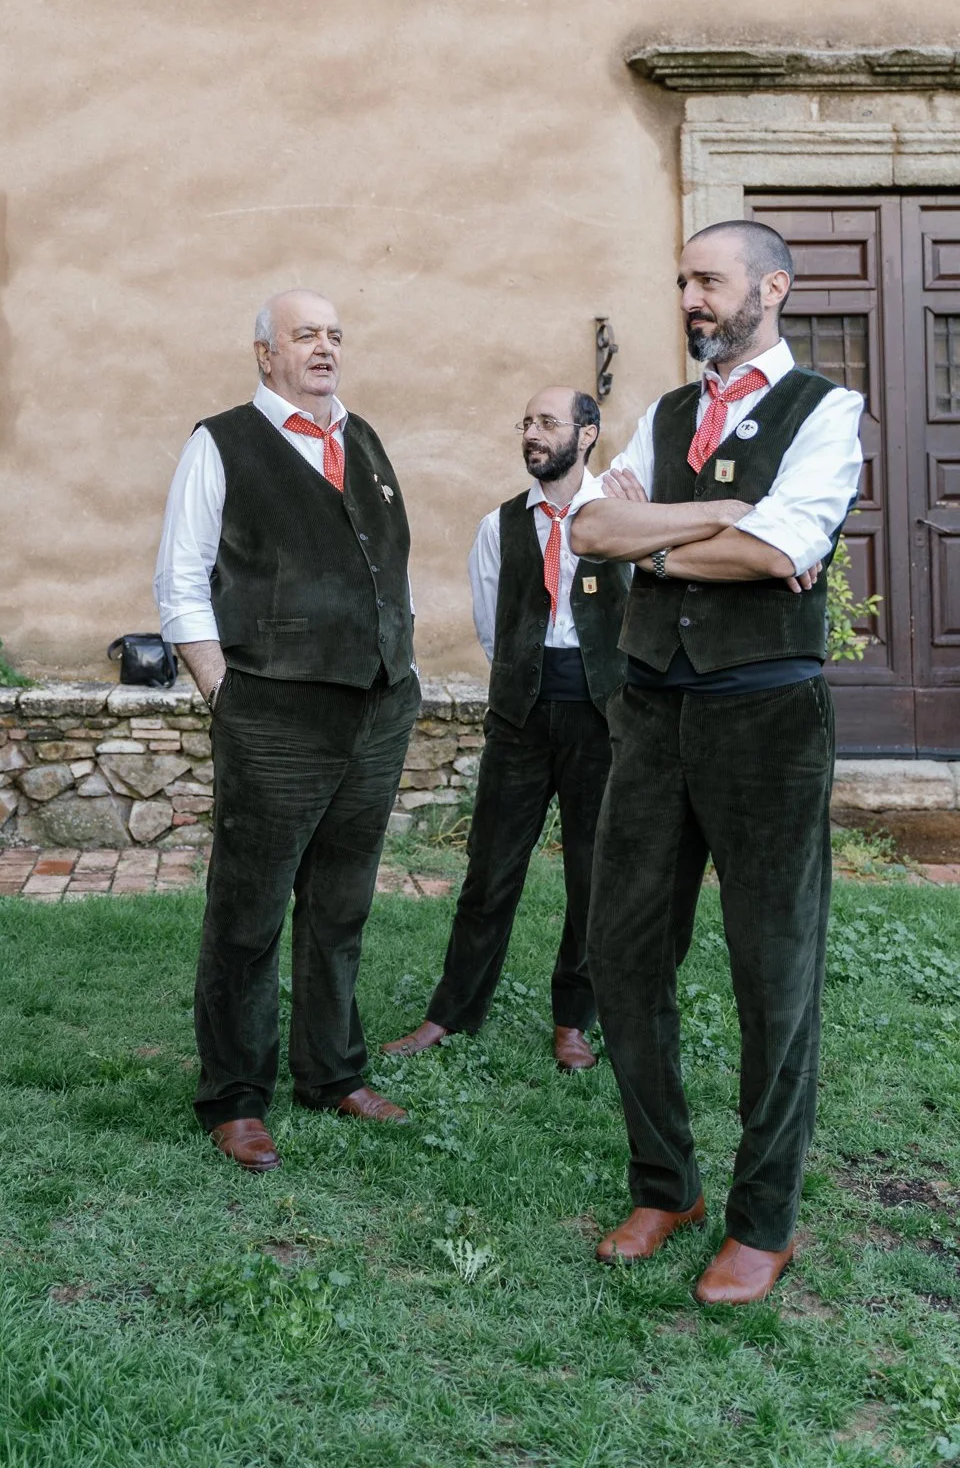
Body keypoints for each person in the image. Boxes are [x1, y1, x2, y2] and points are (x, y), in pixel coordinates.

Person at [571, 220, 863, 1306]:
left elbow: (780, 550)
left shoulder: (828, 413)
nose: (690, 298)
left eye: (709, 279)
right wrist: (718, 514)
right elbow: (590, 533)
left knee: (771, 972)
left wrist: (673, 536)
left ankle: (763, 1219)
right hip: (650, 716)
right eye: (683, 282)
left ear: (770, 288)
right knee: (625, 956)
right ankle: (666, 1185)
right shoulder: (665, 413)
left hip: (766, 726)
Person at [154, 289, 419, 1172]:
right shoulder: (221, 442)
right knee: (248, 909)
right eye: (306, 335)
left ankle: (332, 1071)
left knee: (341, 901)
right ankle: (234, 1096)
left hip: (375, 708)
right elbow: (181, 580)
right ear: (264, 353)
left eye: (336, 335)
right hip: (272, 711)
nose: (325, 348)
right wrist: (223, 690)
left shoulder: (363, 438)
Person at [383, 386, 628, 1072]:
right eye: (526, 421)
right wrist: (528, 677)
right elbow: (492, 630)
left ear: (586, 435)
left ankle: (575, 1018)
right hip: (521, 717)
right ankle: (451, 1013)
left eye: (547, 422)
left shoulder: (623, 517)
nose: (532, 433)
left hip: (602, 720)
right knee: (490, 873)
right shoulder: (499, 527)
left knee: (593, 874)